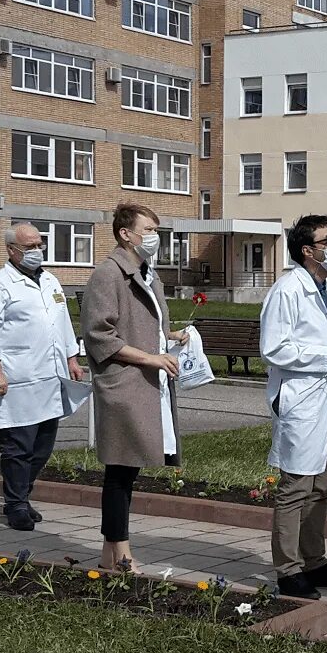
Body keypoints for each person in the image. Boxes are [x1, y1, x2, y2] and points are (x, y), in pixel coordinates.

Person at [260, 214, 327, 600]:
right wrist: (326, 353)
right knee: (295, 487)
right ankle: (288, 570)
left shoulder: (326, 287)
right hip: (301, 400)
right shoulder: (287, 290)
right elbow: (273, 348)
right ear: (308, 250)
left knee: (323, 485)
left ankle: (314, 561)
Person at [82, 203, 187, 571]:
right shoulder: (108, 274)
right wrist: (150, 358)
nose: (154, 237)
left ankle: (111, 554)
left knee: (125, 471)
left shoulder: (147, 274)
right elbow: (99, 335)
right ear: (125, 234)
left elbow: (141, 324)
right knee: (121, 469)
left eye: (157, 230)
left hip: (144, 382)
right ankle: (121, 553)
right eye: (148, 230)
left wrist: (170, 336)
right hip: (124, 384)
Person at [0, 223, 85, 531]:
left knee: (42, 446)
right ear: (12, 250)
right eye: (30, 247)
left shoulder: (50, 281)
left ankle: (22, 494)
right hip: (17, 378)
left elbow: (61, 323)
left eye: (39, 245)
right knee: (17, 447)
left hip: (51, 377)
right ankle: (16, 504)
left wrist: (72, 358)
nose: (37, 252)